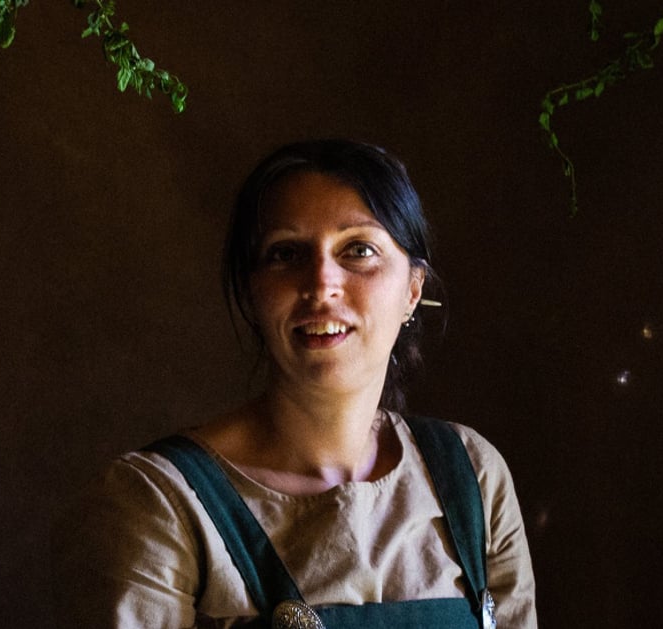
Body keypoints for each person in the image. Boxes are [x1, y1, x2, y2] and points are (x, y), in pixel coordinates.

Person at [53, 140, 537, 628]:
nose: (321, 283)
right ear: (251, 289)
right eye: (286, 254)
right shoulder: (160, 501)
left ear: (413, 290)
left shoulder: (472, 477)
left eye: (358, 250)